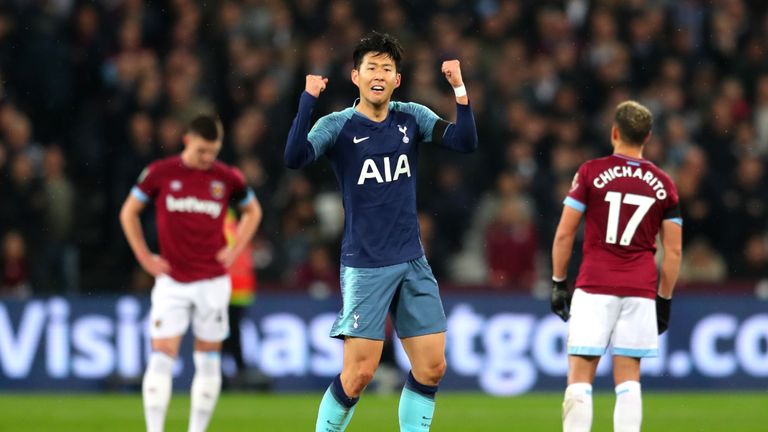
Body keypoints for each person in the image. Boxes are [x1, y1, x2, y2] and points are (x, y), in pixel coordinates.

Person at [285, 31, 477, 432]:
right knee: (358, 376)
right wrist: (308, 99)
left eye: (387, 68)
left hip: (412, 260)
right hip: (366, 265)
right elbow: (294, 157)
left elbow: (464, 141)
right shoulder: (336, 125)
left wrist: (459, 87)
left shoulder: (412, 117)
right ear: (356, 76)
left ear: (397, 80)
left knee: (432, 367)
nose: (379, 74)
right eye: (371, 67)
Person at [120, 114, 262, 432]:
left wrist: (236, 248)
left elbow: (253, 211)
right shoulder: (160, 173)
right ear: (187, 140)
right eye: (201, 151)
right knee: (162, 355)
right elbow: (128, 211)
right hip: (172, 281)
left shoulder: (227, 177)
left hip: (212, 281)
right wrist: (144, 256)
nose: (207, 158)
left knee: (208, 356)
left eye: (213, 151)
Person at [550, 101, 683, 432]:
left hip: (594, 285)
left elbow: (565, 234)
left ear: (614, 132)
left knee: (580, 375)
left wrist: (557, 282)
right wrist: (664, 299)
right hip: (639, 289)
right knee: (629, 378)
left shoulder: (591, 172)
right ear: (647, 137)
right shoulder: (663, 182)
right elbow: (675, 251)